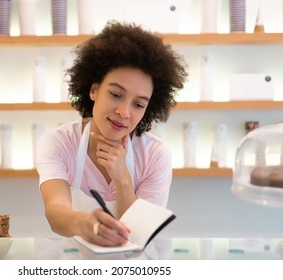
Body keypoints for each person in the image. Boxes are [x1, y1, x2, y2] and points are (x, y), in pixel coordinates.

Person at [36, 21, 187, 247]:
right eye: (116, 94)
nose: (124, 113)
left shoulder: (156, 155)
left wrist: (123, 178)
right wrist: (83, 223)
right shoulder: (58, 142)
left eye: (138, 104)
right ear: (94, 89)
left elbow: (140, 236)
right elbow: (56, 213)